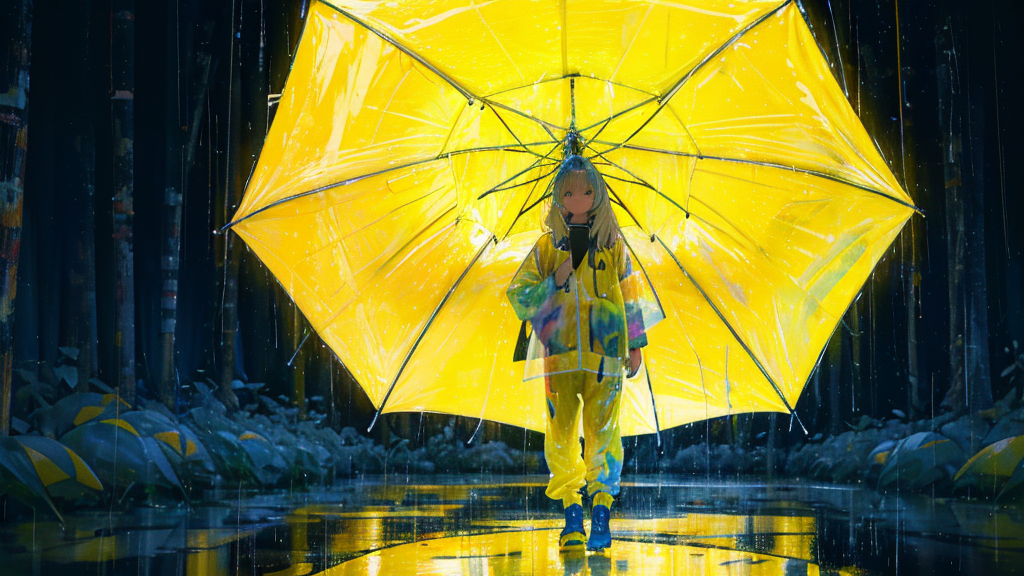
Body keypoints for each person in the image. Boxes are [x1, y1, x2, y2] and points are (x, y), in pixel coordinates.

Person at [506, 153, 657, 552]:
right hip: (559, 355)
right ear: (559, 197)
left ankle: (602, 514)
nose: (579, 199)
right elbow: (520, 296)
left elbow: (630, 294)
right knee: (560, 434)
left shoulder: (612, 245)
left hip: (606, 354)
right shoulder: (546, 247)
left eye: (586, 191)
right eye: (570, 192)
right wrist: (556, 278)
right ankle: (573, 513)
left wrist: (637, 343)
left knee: (604, 433)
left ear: (597, 195)